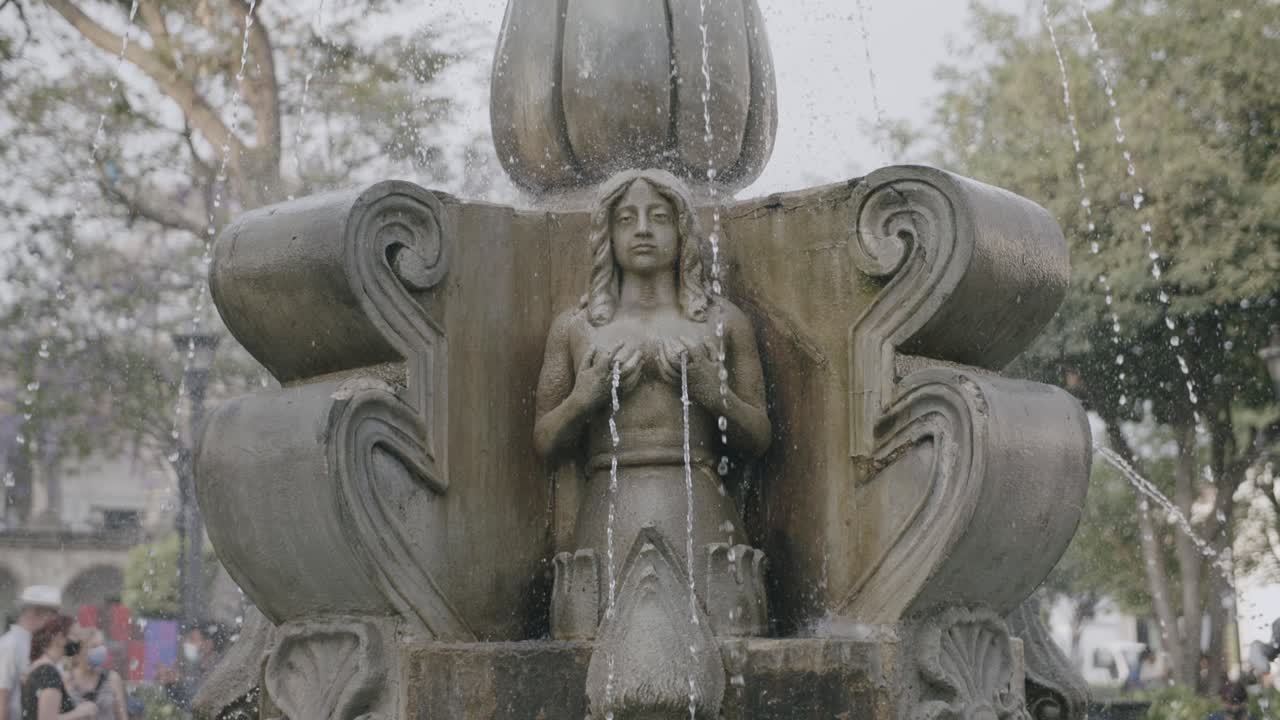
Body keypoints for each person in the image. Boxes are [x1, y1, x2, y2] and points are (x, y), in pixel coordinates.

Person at [534, 168, 771, 567]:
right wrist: (583, 398)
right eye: (626, 219)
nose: (642, 229)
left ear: (682, 231)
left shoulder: (722, 322)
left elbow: (759, 437)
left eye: (659, 217)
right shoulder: (576, 327)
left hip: (700, 505)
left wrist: (715, 394)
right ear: (607, 234)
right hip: (607, 509)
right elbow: (544, 443)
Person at [0, 587, 62, 720]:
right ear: (35, 612)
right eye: (52, 614)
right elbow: (2, 694)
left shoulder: (33, 642)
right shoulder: (10, 644)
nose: (54, 620)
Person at [20, 615, 96, 720]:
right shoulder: (49, 672)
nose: (79, 642)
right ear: (59, 638)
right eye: (75, 636)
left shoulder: (38, 667)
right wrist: (81, 712)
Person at [160, 621, 228, 711]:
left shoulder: (220, 670)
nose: (187, 643)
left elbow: (198, 705)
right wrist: (173, 684)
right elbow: (189, 700)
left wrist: (176, 685)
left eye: (192, 639)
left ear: (208, 643)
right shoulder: (198, 669)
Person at [64, 630, 125, 720]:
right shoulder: (66, 679)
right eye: (94, 646)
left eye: (102, 645)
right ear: (80, 650)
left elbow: (122, 716)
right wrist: (76, 714)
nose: (101, 650)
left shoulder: (112, 678)